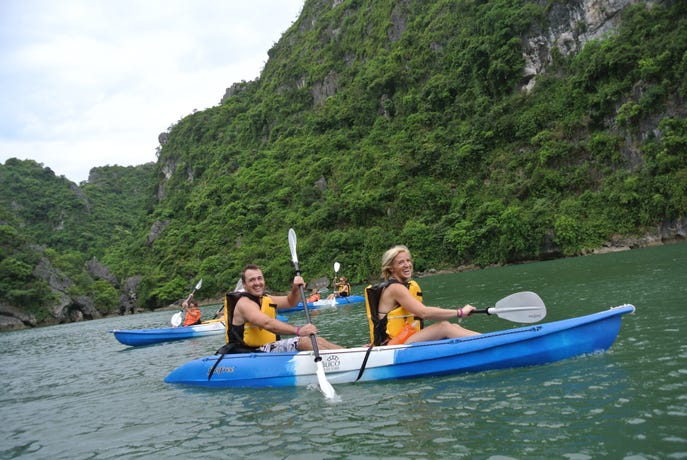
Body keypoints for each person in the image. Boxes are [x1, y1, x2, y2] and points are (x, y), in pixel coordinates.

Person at [365, 245, 479, 345]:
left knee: (455, 327)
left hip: (402, 339)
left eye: (408, 260)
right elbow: (424, 312)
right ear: (391, 268)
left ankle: (484, 341)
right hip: (394, 346)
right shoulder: (396, 288)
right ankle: (490, 342)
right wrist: (460, 313)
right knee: (443, 326)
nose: (407, 265)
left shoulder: (400, 286)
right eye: (401, 262)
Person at [222, 264, 341, 353]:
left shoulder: (265, 298)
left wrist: (295, 288)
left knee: (317, 340)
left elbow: (290, 302)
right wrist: (298, 331)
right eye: (252, 280)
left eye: (259, 278)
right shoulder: (244, 303)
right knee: (303, 341)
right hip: (247, 352)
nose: (257, 283)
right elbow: (266, 322)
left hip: (266, 347)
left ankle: (352, 353)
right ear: (244, 284)